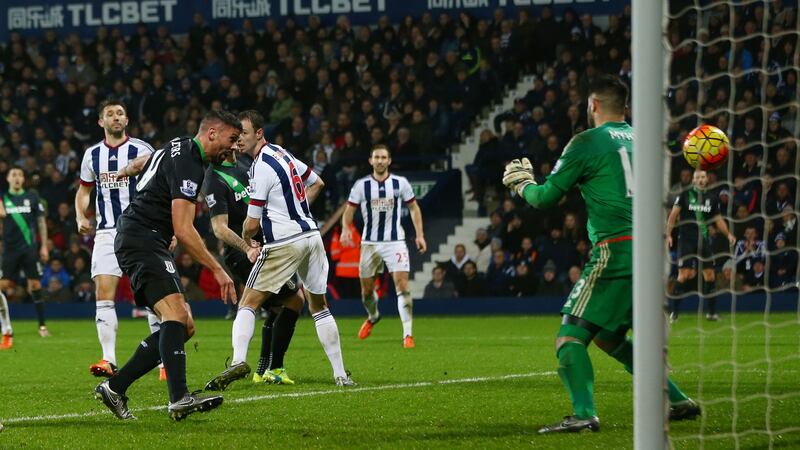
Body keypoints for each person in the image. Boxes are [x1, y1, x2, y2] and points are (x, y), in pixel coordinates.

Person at [502, 75, 700, 433]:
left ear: (592, 105)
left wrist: (522, 184)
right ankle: (677, 399)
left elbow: (545, 198)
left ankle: (583, 413)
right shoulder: (646, 140)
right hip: (651, 251)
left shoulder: (587, 142)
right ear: (625, 107)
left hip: (616, 250)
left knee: (569, 337)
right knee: (609, 337)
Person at [93, 110, 241, 421]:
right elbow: (185, 229)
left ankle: (115, 388)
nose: (234, 148)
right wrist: (218, 270)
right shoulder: (189, 161)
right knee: (175, 315)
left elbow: (145, 162)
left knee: (184, 325)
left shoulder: (179, 144)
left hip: (144, 237)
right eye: (231, 140)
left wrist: (129, 169)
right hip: (141, 239)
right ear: (212, 133)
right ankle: (179, 398)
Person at [206, 116, 355, 390]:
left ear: (259, 133)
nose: (239, 138)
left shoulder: (260, 166)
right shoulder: (281, 153)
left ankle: (239, 360)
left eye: (245, 133)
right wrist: (295, 211)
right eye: (237, 134)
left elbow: (250, 223)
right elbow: (317, 182)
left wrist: (249, 240)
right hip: (311, 236)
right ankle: (340, 374)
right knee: (318, 306)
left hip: (283, 243)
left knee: (248, 302)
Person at [202, 110, 306, 386]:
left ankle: (265, 368)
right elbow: (219, 228)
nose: (236, 142)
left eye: (237, 137)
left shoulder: (247, 164)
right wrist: (246, 246)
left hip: (267, 246)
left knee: (281, 305)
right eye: (232, 138)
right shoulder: (214, 179)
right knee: (292, 300)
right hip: (242, 253)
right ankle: (255, 364)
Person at [74, 99, 163, 378]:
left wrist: (165, 227)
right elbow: (84, 191)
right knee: (103, 291)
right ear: (101, 121)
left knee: (153, 296)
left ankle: (163, 362)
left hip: (140, 229)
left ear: (127, 121)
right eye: (110, 114)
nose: (115, 117)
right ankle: (109, 359)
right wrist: (80, 215)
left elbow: (160, 189)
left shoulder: (142, 150)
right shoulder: (92, 155)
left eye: (120, 113)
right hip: (106, 231)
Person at [340, 145, 427, 348]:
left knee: (402, 285)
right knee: (367, 292)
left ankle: (407, 334)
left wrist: (420, 235)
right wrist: (345, 229)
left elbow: (414, 208)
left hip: (395, 242)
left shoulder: (400, 183)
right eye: (376, 157)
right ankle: (373, 316)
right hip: (369, 243)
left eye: (383, 157)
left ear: (389, 161)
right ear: (371, 161)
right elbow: (349, 210)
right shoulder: (361, 185)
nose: (380, 160)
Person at [665, 169, 736, 321]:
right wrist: (669, 234)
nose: (701, 180)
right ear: (693, 180)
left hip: (704, 240)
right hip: (686, 240)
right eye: (698, 177)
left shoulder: (712, 198)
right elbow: (673, 216)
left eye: (703, 177)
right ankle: (674, 313)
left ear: (707, 179)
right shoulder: (685, 195)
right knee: (683, 275)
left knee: (710, 275)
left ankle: (711, 313)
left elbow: (718, 220)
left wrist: (728, 234)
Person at [0, 166, 50, 347]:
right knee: (3, 286)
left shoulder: (32, 197)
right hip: (10, 251)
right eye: (13, 175)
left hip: (29, 249)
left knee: (35, 285)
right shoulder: (3, 199)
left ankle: (42, 325)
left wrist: (44, 246)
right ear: (7, 178)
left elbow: (41, 222)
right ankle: (5, 327)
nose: (17, 178)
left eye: (20, 174)